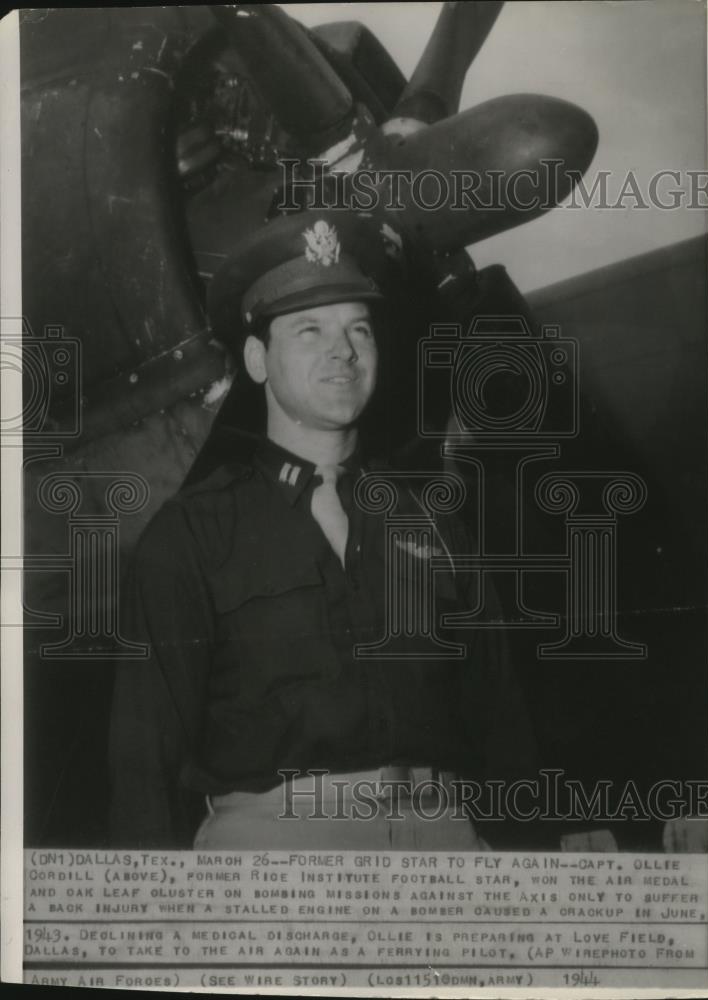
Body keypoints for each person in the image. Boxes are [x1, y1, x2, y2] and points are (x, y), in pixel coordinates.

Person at [109, 209, 537, 850]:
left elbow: (501, 718)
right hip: (272, 859)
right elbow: (144, 759)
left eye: (358, 329)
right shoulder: (191, 535)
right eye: (309, 330)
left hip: (443, 843)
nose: (343, 351)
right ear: (257, 359)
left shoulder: (433, 518)